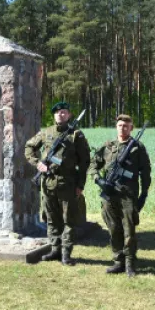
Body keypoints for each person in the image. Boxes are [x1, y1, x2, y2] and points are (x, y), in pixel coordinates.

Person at [25, 101, 90, 266]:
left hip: (68, 183)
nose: (61, 114)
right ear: (54, 115)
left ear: (69, 115)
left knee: (69, 220)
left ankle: (66, 253)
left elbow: (85, 162)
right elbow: (29, 147)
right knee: (51, 219)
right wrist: (37, 163)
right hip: (48, 183)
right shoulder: (46, 133)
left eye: (64, 112)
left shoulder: (76, 135)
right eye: (58, 112)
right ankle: (55, 249)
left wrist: (80, 185)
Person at [88, 114, 151, 277]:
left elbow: (146, 172)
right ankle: (118, 261)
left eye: (126, 125)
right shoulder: (108, 147)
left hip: (127, 196)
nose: (123, 128)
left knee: (129, 229)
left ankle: (130, 263)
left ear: (131, 128)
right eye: (120, 125)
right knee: (113, 228)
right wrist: (98, 180)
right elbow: (93, 165)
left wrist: (143, 194)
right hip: (109, 194)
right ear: (116, 127)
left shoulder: (137, 147)